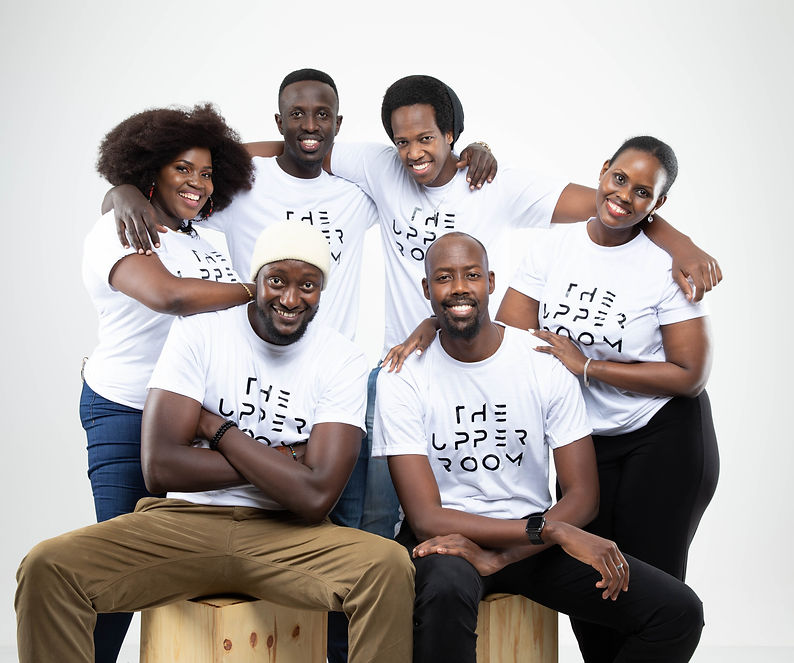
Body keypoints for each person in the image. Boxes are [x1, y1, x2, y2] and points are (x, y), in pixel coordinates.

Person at [327, 74, 722, 541]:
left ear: (451, 134)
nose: (413, 152)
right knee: (377, 522)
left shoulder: (494, 185)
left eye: (426, 138)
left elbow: (614, 206)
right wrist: (237, 161)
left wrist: (682, 242)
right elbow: (301, 145)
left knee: (476, 515)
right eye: (403, 141)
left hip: (558, 402)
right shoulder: (379, 166)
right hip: (406, 369)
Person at [16, 221, 415, 663]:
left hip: (287, 534)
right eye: (276, 281)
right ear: (255, 280)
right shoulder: (200, 332)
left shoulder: (342, 359)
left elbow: (316, 496)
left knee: (387, 566)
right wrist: (287, 461)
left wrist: (219, 431)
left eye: (308, 285)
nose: (290, 299)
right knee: (48, 567)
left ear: (321, 291)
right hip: (183, 524)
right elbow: (161, 467)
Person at [373, 231, 704, 663]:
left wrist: (514, 551)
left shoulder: (541, 361)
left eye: (471, 275)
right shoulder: (403, 375)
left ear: (491, 282)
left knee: (677, 612)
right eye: (443, 277)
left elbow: (583, 496)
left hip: (532, 546)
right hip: (448, 543)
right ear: (426, 288)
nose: (458, 287)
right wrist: (550, 529)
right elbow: (425, 518)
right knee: (443, 590)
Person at [496, 136, 719, 661]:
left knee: (648, 597)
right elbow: (511, 337)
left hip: (662, 437)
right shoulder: (553, 248)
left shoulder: (664, 264)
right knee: (591, 589)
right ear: (603, 172)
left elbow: (690, 374)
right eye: (620, 179)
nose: (624, 196)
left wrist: (588, 367)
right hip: (584, 441)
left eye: (643, 191)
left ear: (658, 203)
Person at [81, 103, 255, 661]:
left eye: (207, 172)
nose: (197, 183)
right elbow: (169, 295)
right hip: (127, 409)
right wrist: (262, 291)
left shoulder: (208, 239)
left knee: (181, 563)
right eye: (182, 168)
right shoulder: (118, 228)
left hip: (191, 419)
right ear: (149, 168)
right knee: (120, 563)